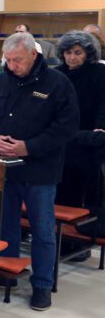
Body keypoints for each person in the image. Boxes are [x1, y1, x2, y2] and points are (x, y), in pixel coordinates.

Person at [0, 32, 79, 311]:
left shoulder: (57, 84)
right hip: (3, 169)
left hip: (40, 171)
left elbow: (66, 127)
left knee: (42, 230)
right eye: (7, 60)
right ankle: (6, 273)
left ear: (34, 54)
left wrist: (28, 147)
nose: (12, 66)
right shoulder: (0, 81)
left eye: (17, 60)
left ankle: (42, 285)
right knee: (5, 225)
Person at [54, 31, 105, 258]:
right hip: (59, 140)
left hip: (85, 141)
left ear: (88, 54)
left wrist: (99, 129)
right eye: (68, 52)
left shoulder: (99, 73)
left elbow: (103, 104)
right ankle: (59, 239)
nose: (72, 58)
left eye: (77, 53)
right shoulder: (56, 74)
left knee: (81, 194)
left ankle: (79, 241)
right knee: (58, 192)